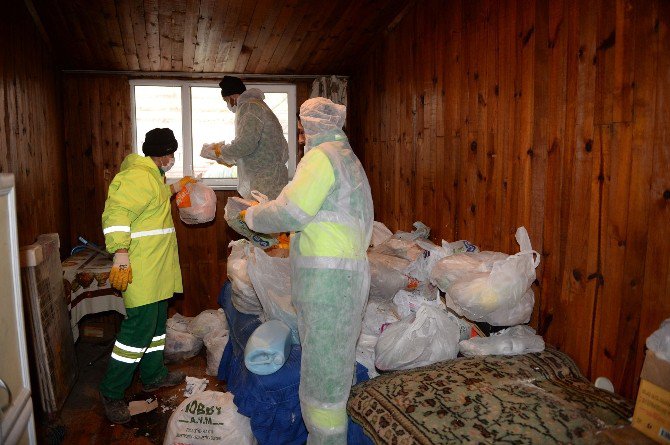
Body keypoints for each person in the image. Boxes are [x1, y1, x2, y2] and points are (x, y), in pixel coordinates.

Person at [242, 98, 373, 444]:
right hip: (344, 277)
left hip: (330, 280)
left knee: (323, 379)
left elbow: (292, 211)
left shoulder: (321, 158)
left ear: (313, 125)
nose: (300, 136)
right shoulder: (346, 158)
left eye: (301, 127)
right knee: (334, 362)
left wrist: (252, 216)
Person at [99, 128, 195, 424]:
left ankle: (153, 374)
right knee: (136, 331)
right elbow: (116, 212)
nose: (172, 158)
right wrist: (120, 252)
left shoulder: (153, 176)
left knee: (155, 326)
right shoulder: (137, 176)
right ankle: (112, 391)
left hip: (157, 268)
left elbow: (152, 201)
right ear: (162, 153)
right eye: (170, 153)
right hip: (138, 269)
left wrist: (176, 186)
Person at [201, 75, 289, 200]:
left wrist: (219, 151)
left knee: (260, 216)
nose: (228, 105)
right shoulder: (257, 106)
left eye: (226, 101)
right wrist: (228, 158)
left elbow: (245, 144)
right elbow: (256, 151)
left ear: (232, 97)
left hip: (265, 181)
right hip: (269, 178)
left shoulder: (249, 107)